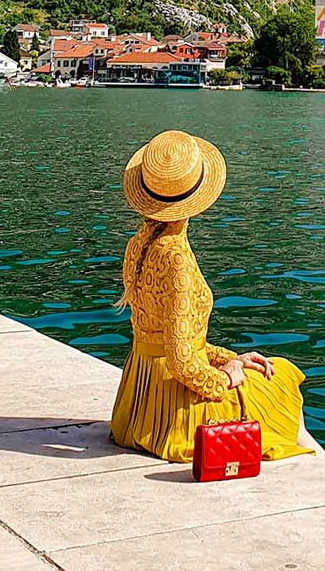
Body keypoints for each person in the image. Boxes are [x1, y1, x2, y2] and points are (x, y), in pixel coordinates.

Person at [110, 129, 313, 463]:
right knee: (283, 376)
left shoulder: (139, 244)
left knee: (264, 373)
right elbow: (181, 362)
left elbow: (167, 340)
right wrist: (225, 378)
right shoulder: (176, 258)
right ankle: (323, 467)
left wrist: (229, 357)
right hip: (173, 412)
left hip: (138, 405)